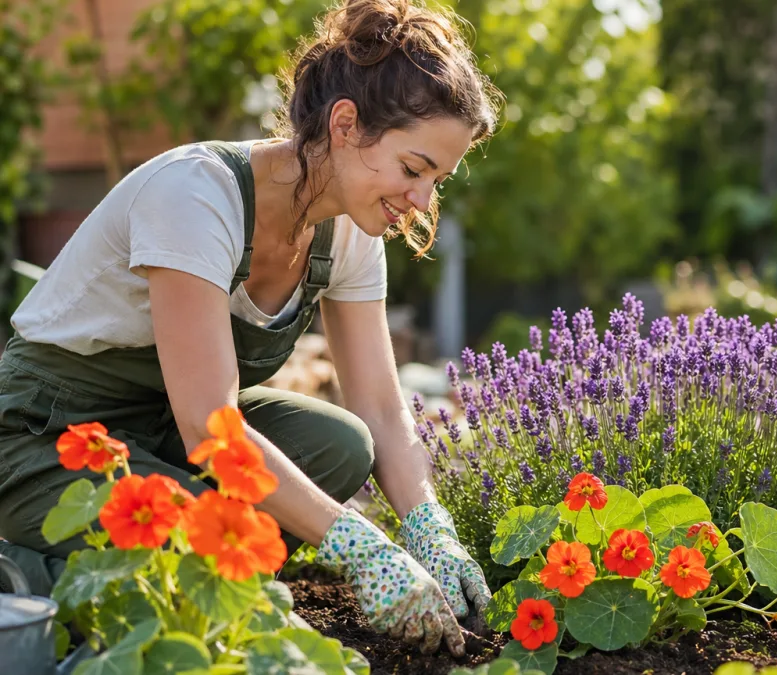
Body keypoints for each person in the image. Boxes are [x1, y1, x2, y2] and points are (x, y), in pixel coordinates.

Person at [0, 0, 500, 656]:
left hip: (158, 432)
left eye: (437, 179)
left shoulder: (350, 232)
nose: (422, 200)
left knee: (342, 443)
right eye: (413, 168)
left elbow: (379, 405)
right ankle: (26, 571)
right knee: (203, 532)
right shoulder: (196, 196)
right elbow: (212, 427)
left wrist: (430, 527)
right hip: (44, 435)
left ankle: (161, 561)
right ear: (345, 124)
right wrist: (358, 542)